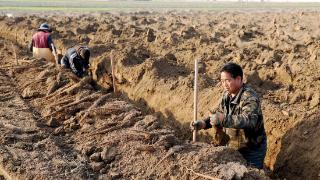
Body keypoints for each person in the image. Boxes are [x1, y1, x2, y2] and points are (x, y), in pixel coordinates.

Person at [190, 62, 267, 169]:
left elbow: (249, 120)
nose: (224, 84)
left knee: (251, 175)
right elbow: (218, 115)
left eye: (228, 80)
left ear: (239, 79)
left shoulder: (249, 97)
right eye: (222, 81)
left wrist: (224, 119)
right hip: (233, 146)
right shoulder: (227, 95)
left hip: (251, 149)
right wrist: (203, 123)